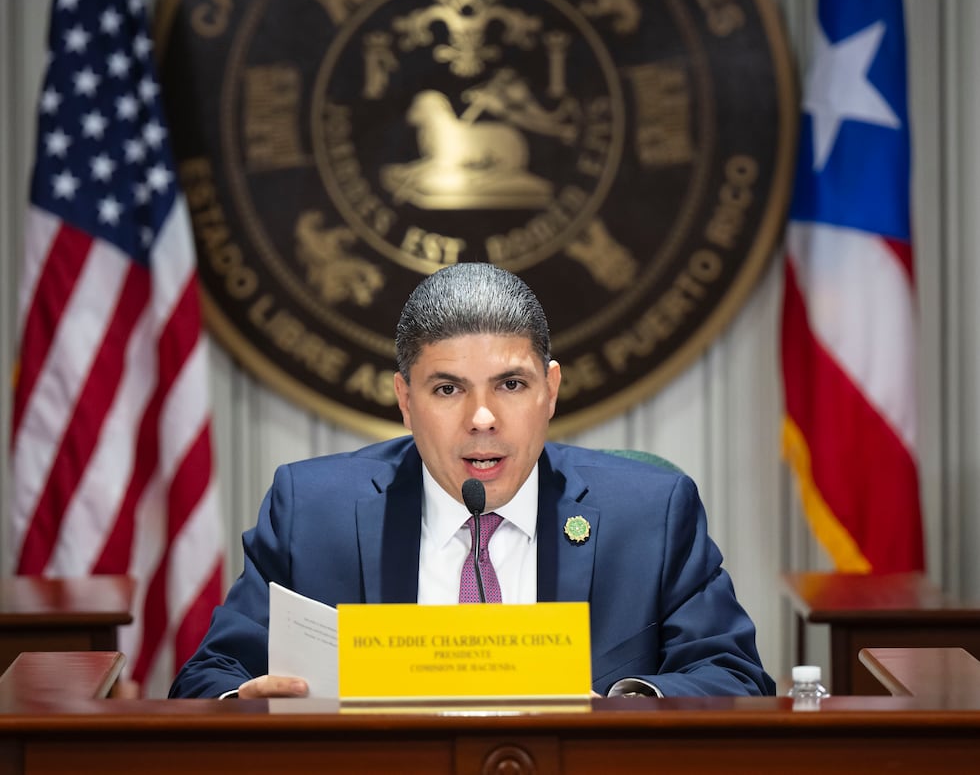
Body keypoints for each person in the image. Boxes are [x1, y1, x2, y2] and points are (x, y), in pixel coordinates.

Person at [170, 262, 774, 699]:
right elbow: (208, 678)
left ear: (551, 391)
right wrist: (243, 706)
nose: (482, 418)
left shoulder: (650, 513)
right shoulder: (312, 511)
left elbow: (734, 676)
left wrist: (624, 711)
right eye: (448, 389)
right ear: (405, 400)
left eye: (511, 385)